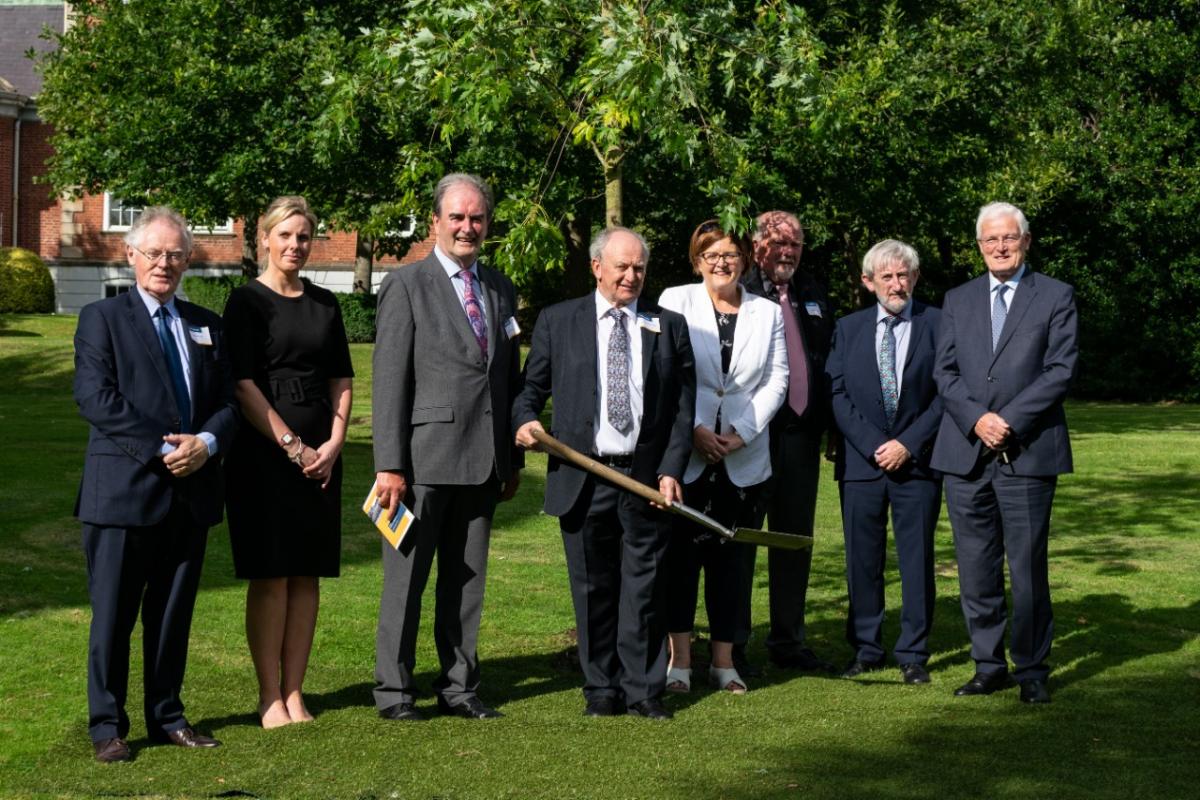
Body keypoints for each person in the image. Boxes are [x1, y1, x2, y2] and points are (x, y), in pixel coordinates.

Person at [73, 207, 238, 762]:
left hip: (190, 496)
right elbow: (97, 399)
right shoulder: (102, 318)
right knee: (114, 618)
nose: (163, 264)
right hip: (122, 496)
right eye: (153, 253)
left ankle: (168, 715)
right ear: (131, 256)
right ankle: (107, 727)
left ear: (188, 261)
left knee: (172, 618)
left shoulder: (207, 324)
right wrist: (165, 447)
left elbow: (227, 405)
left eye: (174, 255)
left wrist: (206, 444)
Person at [513, 227, 695, 720]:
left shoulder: (668, 325)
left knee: (645, 588)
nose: (631, 276)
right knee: (593, 587)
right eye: (622, 267)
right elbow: (531, 389)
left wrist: (671, 469)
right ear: (598, 267)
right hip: (583, 476)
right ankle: (601, 688)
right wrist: (525, 420)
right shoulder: (559, 321)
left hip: (645, 479)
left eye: (639, 268)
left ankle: (643, 690)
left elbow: (682, 407)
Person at [371, 173, 523, 721]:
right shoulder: (406, 284)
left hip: (484, 460)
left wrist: (513, 458)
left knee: (466, 585)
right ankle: (394, 692)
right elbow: (389, 381)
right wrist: (389, 464)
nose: (467, 227)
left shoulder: (500, 287)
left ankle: (459, 687)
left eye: (476, 218)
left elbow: (508, 380)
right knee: (406, 583)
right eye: (456, 217)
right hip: (421, 463)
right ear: (435, 221)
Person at [933, 202, 1077, 704]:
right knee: (975, 567)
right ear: (979, 245)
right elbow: (944, 373)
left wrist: (1008, 420)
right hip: (966, 452)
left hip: (1027, 451)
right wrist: (977, 418)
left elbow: (1059, 370)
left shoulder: (1056, 295)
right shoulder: (957, 298)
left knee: (1028, 567)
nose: (1000, 247)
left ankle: (1032, 668)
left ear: (1026, 241)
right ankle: (987, 664)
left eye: (1009, 239)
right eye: (990, 240)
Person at [221, 196, 354, 728]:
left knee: (307, 575)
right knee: (272, 575)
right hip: (264, 456)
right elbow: (243, 384)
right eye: (286, 236)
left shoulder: (325, 303)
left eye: (304, 236)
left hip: (321, 456)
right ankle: (269, 695)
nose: (296, 245)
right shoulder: (245, 303)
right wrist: (292, 446)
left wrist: (334, 443)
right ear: (265, 240)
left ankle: (297, 692)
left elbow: (341, 377)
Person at [657, 220, 788, 695]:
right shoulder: (675, 301)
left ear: (744, 260)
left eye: (730, 254)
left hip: (743, 456)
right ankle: (678, 664)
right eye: (711, 254)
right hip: (687, 453)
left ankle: (725, 664)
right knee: (679, 563)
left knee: (732, 565)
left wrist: (741, 433)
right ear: (697, 261)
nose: (721, 262)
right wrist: (693, 431)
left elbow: (777, 379)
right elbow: (666, 373)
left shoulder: (767, 313)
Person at [826, 239, 942, 684]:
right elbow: (835, 392)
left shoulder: (938, 323)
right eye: (887, 276)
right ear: (867, 280)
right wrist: (875, 444)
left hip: (917, 465)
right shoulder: (848, 327)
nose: (897, 284)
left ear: (914, 278)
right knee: (862, 560)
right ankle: (866, 649)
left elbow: (944, 394)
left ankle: (913, 653)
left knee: (916, 560)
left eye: (904, 275)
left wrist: (907, 444)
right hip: (862, 464)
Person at [738, 210, 835, 673]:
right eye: (778, 243)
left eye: (794, 243)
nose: (787, 251)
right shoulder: (740, 289)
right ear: (756, 246)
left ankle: (787, 639)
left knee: (793, 539)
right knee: (741, 538)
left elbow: (824, 361)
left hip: (801, 437)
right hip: (753, 434)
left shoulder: (811, 292)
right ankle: (732, 641)